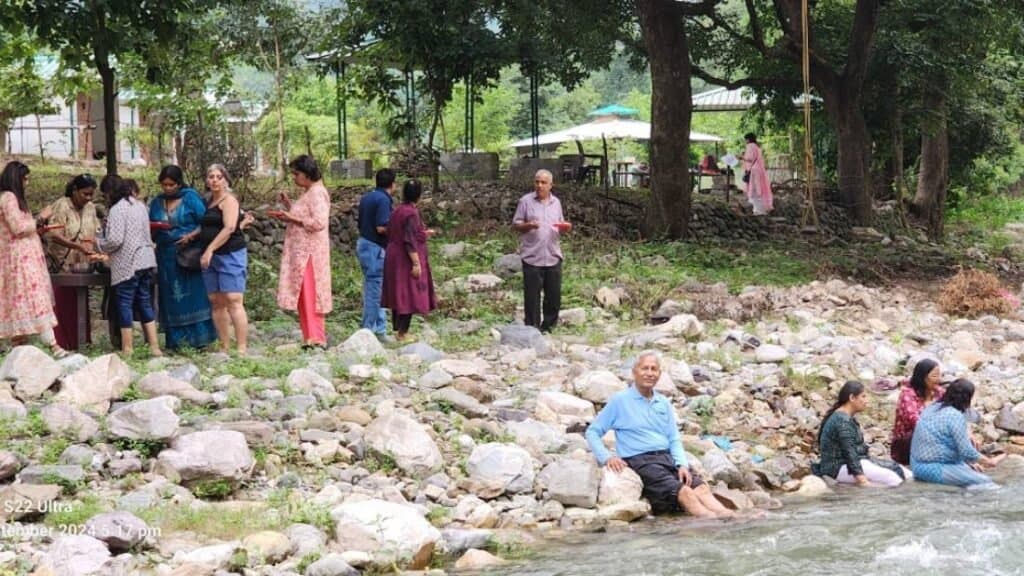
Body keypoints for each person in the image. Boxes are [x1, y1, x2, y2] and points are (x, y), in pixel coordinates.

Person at [586, 351, 734, 518]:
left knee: (701, 488)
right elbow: (592, 432)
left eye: (654, 369)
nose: (649, 373)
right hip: (641, 460)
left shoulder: (662, 402)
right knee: (685, 492)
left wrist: (682, 464)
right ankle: (712, 524)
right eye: (645, 368)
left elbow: (674, 438)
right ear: (635, 372)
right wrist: (607, 458)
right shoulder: (620, 401)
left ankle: (731, 517)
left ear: (659, 374)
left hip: (667, 457)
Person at [149, 165, 217, 351]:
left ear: (179, 183)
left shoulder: (190, 198)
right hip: (166, 256)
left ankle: (199, 339)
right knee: (171, 296)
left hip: (188, 255)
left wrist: (191, 236)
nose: (168, 188)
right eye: (164, 185)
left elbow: (206, 223)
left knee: (193, 295)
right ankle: (176, 341)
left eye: (171, 185)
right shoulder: (157, 202)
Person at [0, 161, 64, 356]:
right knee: (34, 298)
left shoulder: (11, 199)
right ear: (16, 179)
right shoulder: (9, 197)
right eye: (25, 179)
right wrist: (41, 218)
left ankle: (19, 350)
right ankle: (54, 346)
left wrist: (37, 226)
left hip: (21, 257)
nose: (26, 183)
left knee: (20, 301)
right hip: (20, 260)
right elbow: (18, 228)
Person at [271, 155, 332, 348]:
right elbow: (305, 215)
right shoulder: (309, 192)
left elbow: (319, 222)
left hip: (310, 254)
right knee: (303, 294)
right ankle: (309, 336)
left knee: (311, 295)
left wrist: (292, 218)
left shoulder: (317, 193)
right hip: (302, 253)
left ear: (307, 174)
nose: (295, 178)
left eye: (296, 174)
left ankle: (316, 337)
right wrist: (290, 206)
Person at [96, 180, 161, 357]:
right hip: (146, 259)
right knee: (144, 301)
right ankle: (154, 346)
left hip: (128, 263)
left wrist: (99, 244)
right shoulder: (140, 206)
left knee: (124, 303)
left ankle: (127, 348)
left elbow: (115, 240)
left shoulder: (118, 209)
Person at [911, 379, 1005, 487]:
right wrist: (989, 461)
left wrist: (969, 464)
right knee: (985, 482)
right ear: (967, 398)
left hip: (917, 464)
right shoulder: (954, 416)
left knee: (972, 473)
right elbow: (966, 452)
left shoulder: (933, 407)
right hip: (933, 468)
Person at [44, 174, 100, 350]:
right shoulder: (62, 205)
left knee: (80, 302)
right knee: (62, 304)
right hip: (62, 263)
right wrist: (75, 245)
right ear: (75, 190)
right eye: (85, 194)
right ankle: (63, 345)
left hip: (83, 263)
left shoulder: (90, 207)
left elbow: (96, 230)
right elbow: (53, 234)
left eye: (91, 194)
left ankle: (82, 343)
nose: (88, 198)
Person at [813, 381, 906, 487]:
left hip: (852, 462)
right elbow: (849, 452)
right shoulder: (842, 420)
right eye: (863, 396)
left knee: (904, 472)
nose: (867, 401)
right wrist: (862, 479)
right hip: (837, 467)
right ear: (852, 398)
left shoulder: (845, 417)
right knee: (892, 477)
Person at [198, 164, 249, 355]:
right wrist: (193, 235)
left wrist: (210, 249)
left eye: (219, 177)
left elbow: (228, 228)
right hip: (210, 255)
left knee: (233, 298)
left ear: (225, 180)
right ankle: (224, 345)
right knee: (216, 300)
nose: (214, 180)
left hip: (229, 253)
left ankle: (241, 346)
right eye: (211, 176)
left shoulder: (230, 201)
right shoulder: (208, 201)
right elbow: (208, 225)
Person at [512, 169, 569, 333]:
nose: (539, 185)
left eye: (544, 182)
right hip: (532, 255)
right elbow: (516, 225)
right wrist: (528, 225)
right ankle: (533, 329)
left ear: (551, 185)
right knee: (532, 297)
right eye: (537, 182)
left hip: (552, 254)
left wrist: (565, 227)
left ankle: (549, 327)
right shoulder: (525, 201)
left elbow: (560, 224)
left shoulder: (556, 202)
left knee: (553, 296)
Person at [381, 179, 437, 341]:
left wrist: (424, 233)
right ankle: (403, 333)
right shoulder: (411, 213)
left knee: (399, 293)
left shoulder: (398, 210)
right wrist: (416, 263)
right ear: (419, 196)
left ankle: (399, 329)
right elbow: (409, 239)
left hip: (393, 254)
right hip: (405, 257)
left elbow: (395, 231)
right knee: (409, 294)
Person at [356, 168, 395, 340]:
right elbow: (381, 227)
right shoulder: (384, 200)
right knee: (374, 290)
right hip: (375, 248)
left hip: (363, 243)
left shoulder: (367, 197)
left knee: (375, 288)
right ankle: (367, 331)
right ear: (393, 184)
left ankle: (380, 329)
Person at [890, 358, 944, 465]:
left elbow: (953, 413)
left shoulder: (939, 393)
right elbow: (915, 421)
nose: (939, 379)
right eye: (934, 376)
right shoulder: (908, 394)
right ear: (922, 377)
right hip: (907, 445)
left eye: (939, 375)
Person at [740, 133, 773, 215]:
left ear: (748, 139)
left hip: (754, 170)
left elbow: (750, 159)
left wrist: (741, 157)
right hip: (759, 170)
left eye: (745, 139)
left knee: (754, 189)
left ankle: (757, 209)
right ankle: (762, 208)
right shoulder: (757, 147)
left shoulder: (750, 146)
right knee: (760, 188)